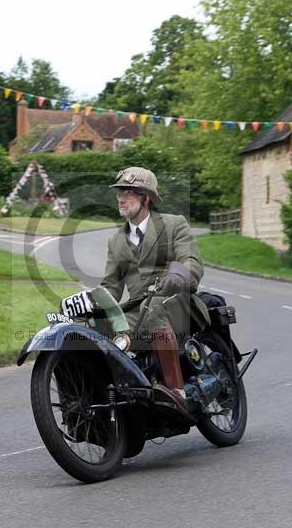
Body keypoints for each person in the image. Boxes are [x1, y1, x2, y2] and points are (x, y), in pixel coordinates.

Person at [101, 167, 209, 419]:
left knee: (152, 309)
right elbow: (111, 287)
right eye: (119, 192)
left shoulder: (173, 224)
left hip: (175, 299)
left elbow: (191, 260)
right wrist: (91, 303)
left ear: (146, 198)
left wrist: (179, 276)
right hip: (138, 309)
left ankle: (177, 393)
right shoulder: (115, 242)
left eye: (128, 193)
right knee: (96, 330)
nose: (121, 198)